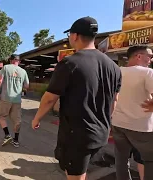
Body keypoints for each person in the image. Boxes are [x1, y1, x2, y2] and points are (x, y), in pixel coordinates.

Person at [31, 17, 121, 180]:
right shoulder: (114, 67)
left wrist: (37, 118)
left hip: (78, 135)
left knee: (75, 176)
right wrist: (106, 124)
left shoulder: (70, 63)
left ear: (75, 36)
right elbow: (114, 100)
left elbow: (50, 98)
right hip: (100, 132)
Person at [112, 45, 153, 180]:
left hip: (118, 124)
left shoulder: (116, 71)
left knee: (121, 160)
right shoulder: (147, 73)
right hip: (142, 126)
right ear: (139, 56)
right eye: (150, 56)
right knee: (149, 161)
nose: (151, 60)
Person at [0, 54, 29, 148]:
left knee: (0, 116)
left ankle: (7, 135)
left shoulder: (6, 68)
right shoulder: (23, 71)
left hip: (6, 97)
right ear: (19, 61)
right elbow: (26, 86)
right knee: (17, 120)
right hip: (17, 99)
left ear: (11, 60)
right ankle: (16, 140)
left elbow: (0, 81)